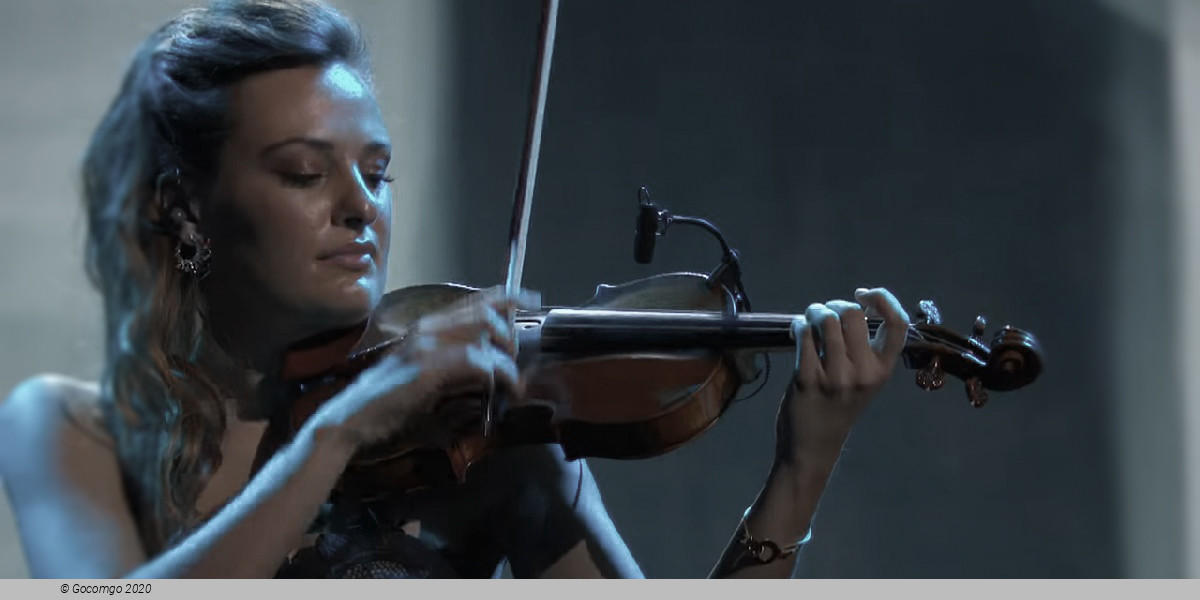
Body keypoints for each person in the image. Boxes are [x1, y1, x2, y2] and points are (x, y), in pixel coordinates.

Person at [0, 0, 911, 579]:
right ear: (185, 206)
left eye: (378, 171)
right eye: (305, 172)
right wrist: (342, 429)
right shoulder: (69, 431)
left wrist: (801, 470)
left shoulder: (482, 432)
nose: (362, 208)